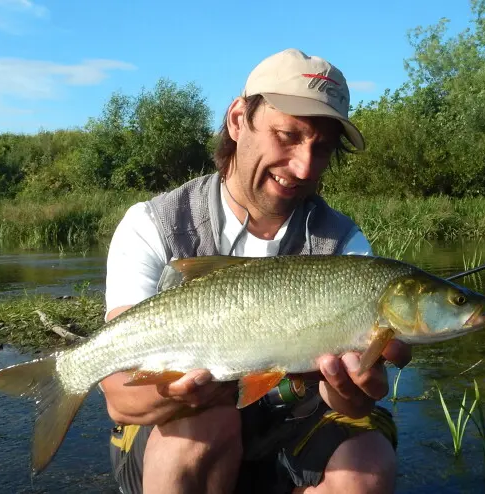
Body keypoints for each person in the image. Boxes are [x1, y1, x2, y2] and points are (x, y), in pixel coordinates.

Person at [99, 48, 413, 494]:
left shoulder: (343, 243)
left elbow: (349, 402)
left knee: (368, 464)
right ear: (237, 119)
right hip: (179, 435)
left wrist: (355, 386)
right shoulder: (152, 224)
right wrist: (172, 392)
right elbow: (118, 397)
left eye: (321, 149)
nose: (304, 167)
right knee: (204, 428)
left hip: (289, 419)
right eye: (287, 135)